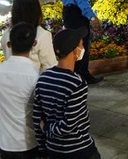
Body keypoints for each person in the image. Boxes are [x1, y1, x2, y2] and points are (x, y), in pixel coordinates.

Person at [33, 27, 100, 158]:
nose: (83, 48)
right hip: (79, 149)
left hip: (53, 149)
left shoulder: (43, 78)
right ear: (75, 51)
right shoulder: (77, 83)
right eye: (81, 45)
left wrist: (42, 147)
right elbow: (68, 125)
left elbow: (37, 117)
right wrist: (47, 129)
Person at [0, 22, 40, 158]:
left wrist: (6, 113)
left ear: (9, 44)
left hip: (6, 142)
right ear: (34, 43)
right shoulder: (36, 75)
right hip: (30, 141)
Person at [0, 0, 57, 71]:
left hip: (9, 79)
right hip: (34, 82)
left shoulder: (7, 34)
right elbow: (50, 66)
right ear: (36, 11)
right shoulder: (42, 35)